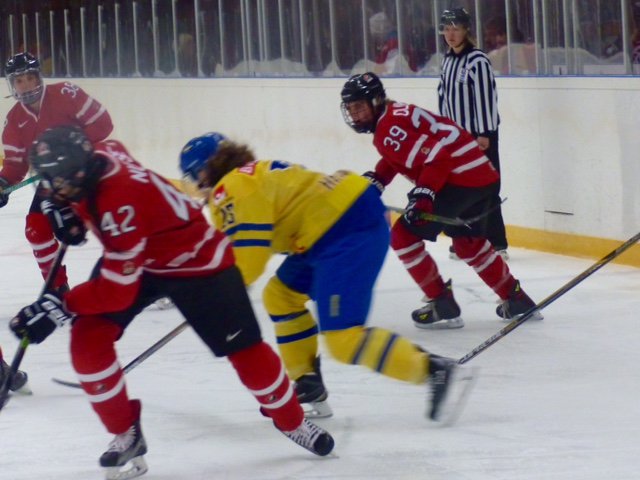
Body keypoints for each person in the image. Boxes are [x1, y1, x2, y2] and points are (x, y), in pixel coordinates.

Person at [9, 126, 334, 480]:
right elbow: (89, 173)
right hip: (137, 253)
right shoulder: (102, 154)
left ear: (80, 171)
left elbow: (116, 291)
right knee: (88, 338)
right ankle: (126, 433)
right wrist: (63, 206)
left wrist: (61, 305)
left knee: (244, 349)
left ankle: (292, 421)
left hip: (196, 262)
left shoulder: (118, 203)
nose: (53, 186)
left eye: (59, 181)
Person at [178, 132, 477, 423]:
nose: (196, 187)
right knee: (280, 295)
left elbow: (247, 263)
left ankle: (435, 370)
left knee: (343, 339)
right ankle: (308, 384)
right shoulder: (251, 174)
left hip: (343, 229)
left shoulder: (230, 189)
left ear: (204, 171)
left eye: (193, 177)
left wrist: (212, 297)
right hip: (332, 224)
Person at [340, 71, 541, 330]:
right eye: (350, 109)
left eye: (359, 107)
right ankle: (516, 299)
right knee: (468, 243)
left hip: (460, 179)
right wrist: (379, 178)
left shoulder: (387, 128)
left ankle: (441, 302)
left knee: (402, 236)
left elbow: (437, 157)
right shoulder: (394, 114)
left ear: (376, 100)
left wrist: (424, 195)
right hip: (482, 176)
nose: (355, 115)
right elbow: (403, 154)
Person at [0, 52, 113, 292]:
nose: (26, 85)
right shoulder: (14, 121)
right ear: (12, 85)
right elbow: (15, 165)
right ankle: (58, 289)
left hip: (91, 169)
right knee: (36, 228)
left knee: (115, 220)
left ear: (39, 77)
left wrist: (74, 147)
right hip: (56, 181)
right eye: (19, 80)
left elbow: (103, 124)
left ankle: (152, 269)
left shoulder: (66, 93)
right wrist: (3, 183)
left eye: (30, 78)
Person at [437, 8, 509, 260]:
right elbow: (443, 97)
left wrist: (485, 133)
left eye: (455, 29)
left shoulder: (478, 60)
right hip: (455, 140)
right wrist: (443, 132)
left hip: (479, 138)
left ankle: (497, 243)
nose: (450, 34)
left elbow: (486, 98)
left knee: (487, 189)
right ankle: (465, 241)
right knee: (460, 190)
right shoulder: (447, 60)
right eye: (447, 29)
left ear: (466, 30)